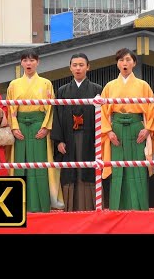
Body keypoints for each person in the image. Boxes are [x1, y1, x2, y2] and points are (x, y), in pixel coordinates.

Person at [100, 48, 154, 211]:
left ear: (134, 63)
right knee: (118, 167)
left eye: (127, 60)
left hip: (137, 128)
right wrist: (108, 131)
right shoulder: (110, 86)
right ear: (117, 63)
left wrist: (147, 129)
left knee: (138, 168)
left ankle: (139, 209)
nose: (124, 63)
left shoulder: (143, 85)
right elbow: (103, 111)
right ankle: (117, 209)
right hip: (116, 129)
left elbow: (151, 108)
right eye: (121, 60)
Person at [7, 49, 64, 212]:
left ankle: (41, 204)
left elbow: (50, 107)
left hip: (40, 125)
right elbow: (10, 107)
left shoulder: (45, 83)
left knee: (40, 165)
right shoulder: (14, 85)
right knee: (20, 164)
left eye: (32, 60)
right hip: (20, 127)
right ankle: (19, 204)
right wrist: (14, 127)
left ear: (38, 62)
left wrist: (46, 127)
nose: (29, 63)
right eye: (25, 60)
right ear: (21, 63)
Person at [51, 53, 105, 211]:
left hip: (90, 139)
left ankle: (91, 208)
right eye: (74, 65)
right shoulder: (62, 91)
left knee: (88, 170)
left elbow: (102, 116)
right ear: (70, 68)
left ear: (88, 67)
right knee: (70, 171)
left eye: (81, 65)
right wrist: (59, 140)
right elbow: (57, 115)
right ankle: (70, 208)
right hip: (68, 138)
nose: (78, 68)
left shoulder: (97, 89)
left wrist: (99, 139)